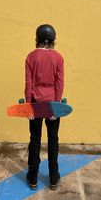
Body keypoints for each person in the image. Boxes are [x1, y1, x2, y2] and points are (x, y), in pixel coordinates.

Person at [24, 24, 64, 191]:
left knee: (35, 140)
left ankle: (33, 178)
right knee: (53, 141)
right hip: (52, 104)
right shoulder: (58, 57)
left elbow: (28, 83)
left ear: (37, 39)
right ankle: (53, 178)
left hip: (36, 104)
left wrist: (28, 107)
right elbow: (59, 84)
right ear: (52, 40)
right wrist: (56, 107)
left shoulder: (31, 57)